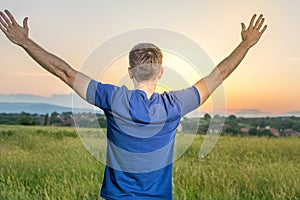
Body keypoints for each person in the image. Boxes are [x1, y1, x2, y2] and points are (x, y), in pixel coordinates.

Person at [0, 10, 267, 200]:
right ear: (160, 72)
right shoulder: (174, 105)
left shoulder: (113, 98)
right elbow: (217, 76)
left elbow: (65, 72)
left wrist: (24, 41)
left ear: (130, 71)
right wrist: (246, 45)